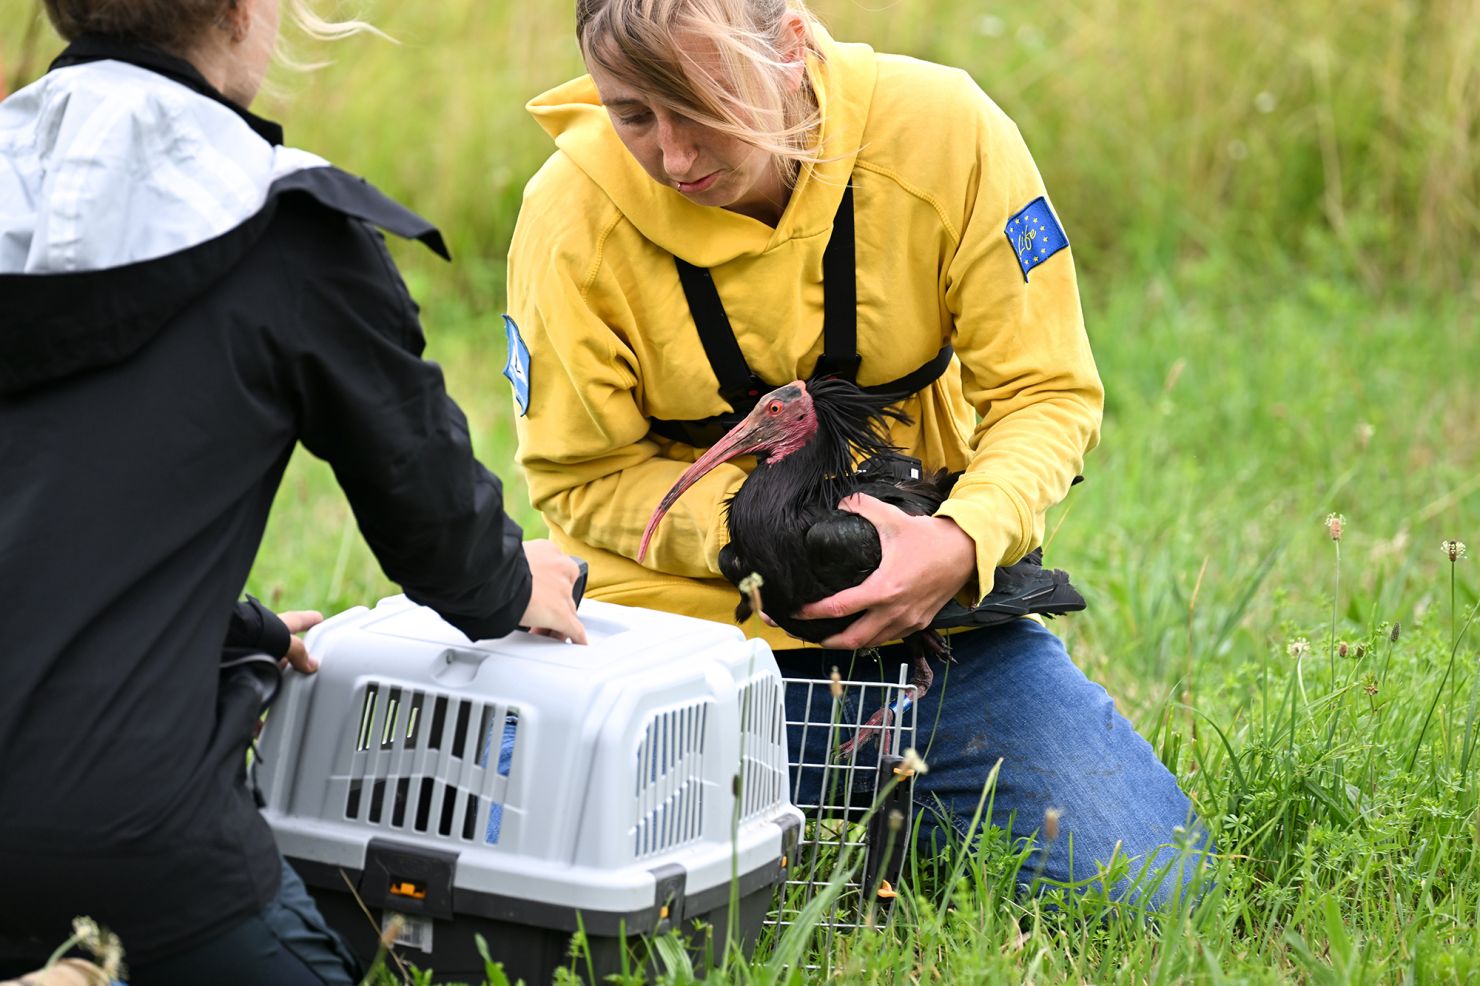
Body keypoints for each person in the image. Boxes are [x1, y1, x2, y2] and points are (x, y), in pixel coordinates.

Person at [506, 0, 1206, 907]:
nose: (674, 159)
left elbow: (1044, 393)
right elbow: (580, 475)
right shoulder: (569, 214)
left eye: (704, 103)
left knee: (1148, 892)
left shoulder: (942, 134)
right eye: (633, 114)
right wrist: (765, 539)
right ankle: (864, 805)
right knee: (534, 871)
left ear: (792, 45)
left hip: (923, 627)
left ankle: (896, 808)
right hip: (676, 646)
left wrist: (957, 543)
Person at [0, 0, 587, 982]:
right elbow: (435, 524)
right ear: (246, 10)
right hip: (131, 836)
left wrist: (222, 626)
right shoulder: (283, 223)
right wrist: (508, 575)